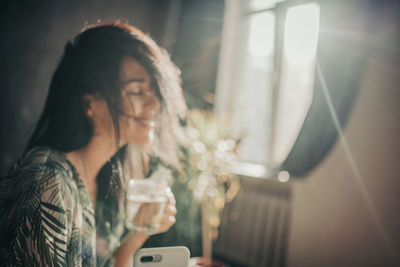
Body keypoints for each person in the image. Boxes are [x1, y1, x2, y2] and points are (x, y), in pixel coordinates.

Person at [0, 22, 187, 266]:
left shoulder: (107, 178)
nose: (155, 105)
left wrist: (138, 234)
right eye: (137, 92)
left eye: (153, 91)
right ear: (90, 103)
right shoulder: (46, 185)